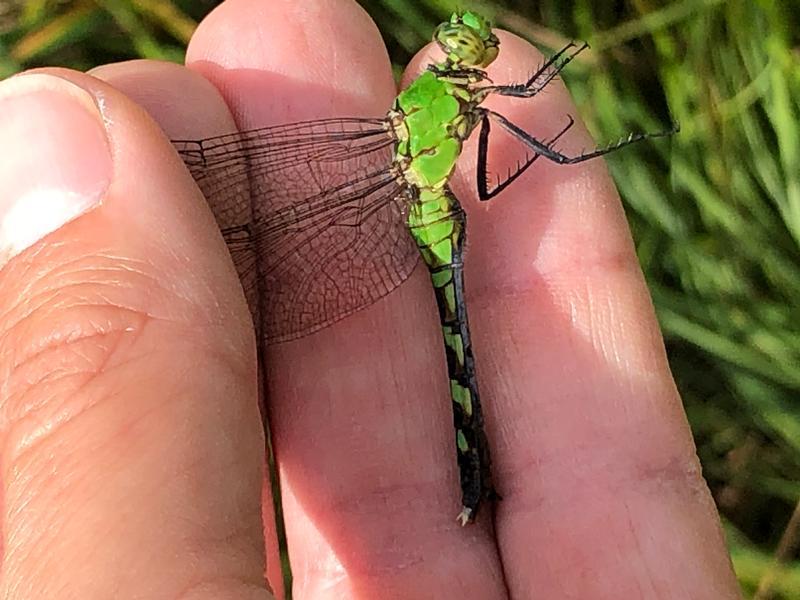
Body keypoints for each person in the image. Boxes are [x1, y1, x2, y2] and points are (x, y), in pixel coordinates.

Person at [0, 0, 741, 597]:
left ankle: (470, 483)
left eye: (467, 43)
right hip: (429, 222)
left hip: (432, 209)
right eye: (461, 42)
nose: (469, 49)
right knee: (477, 330)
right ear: (455, 64)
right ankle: (468, 473)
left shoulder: (456, 97)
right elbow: (505, 139)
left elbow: (501, 135)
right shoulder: (452, 98)